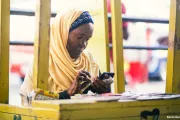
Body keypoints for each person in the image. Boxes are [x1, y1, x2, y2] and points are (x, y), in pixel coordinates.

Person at [20, 9, 112, 106]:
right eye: (79, 37)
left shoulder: (89, 60)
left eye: (87, 39)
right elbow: (28, 100)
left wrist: (104, 90)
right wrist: (67, 94)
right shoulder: (43, 62)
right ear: (62, 33)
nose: (84, 45)